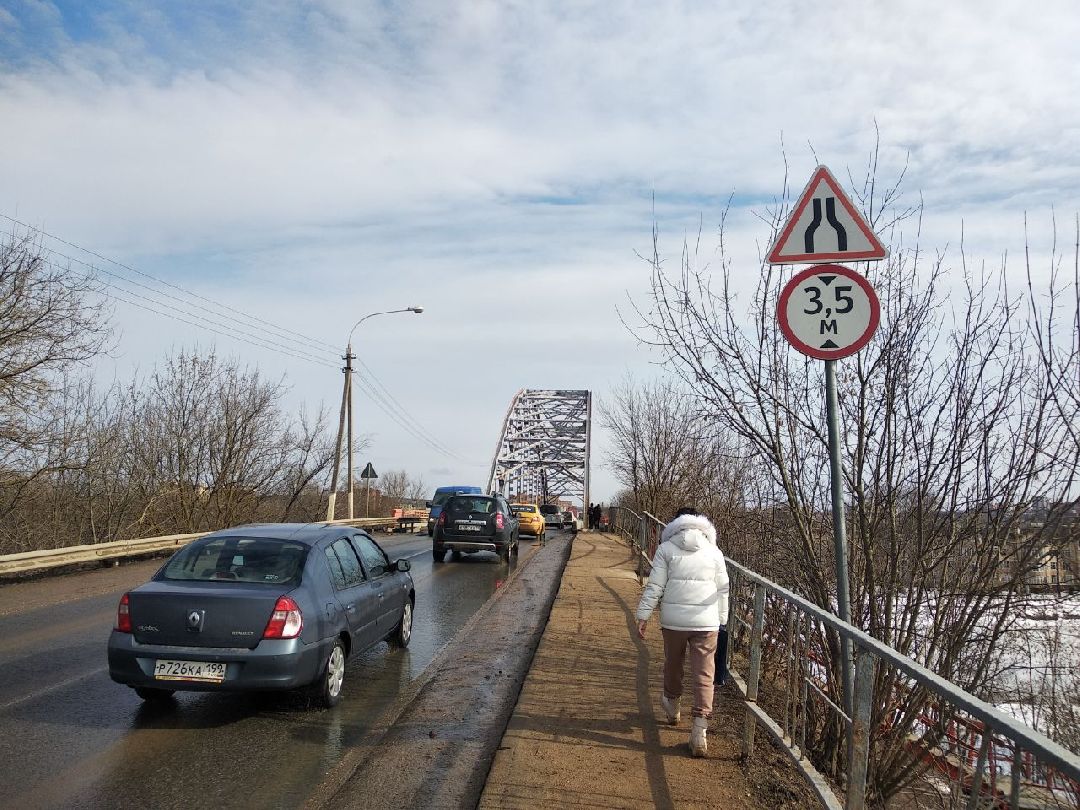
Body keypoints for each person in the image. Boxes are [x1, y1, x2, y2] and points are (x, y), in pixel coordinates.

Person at [635, 507, 729, 757]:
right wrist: (722, 620)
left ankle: (672, 705)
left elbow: (655, 585)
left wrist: (643, 615)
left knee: (673, 664)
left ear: (675, 525)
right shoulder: (715, 552)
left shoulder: (666, 549)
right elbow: (723, 589)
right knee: (704, 674)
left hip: (674, 622)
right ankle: (699, 731)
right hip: (707, 622)